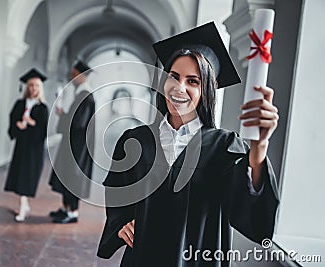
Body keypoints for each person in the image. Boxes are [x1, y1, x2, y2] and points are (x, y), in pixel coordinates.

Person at [97, 22, 280, 266]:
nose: (179, 88)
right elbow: (118, 193)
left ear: (208, 90)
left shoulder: (225, 147)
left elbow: (248, 211)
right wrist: (120, 224)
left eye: (193, 81)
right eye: (174, 76)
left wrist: (260, 147)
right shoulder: (135, 140)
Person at [49, 60, 96, 224]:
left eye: (74, 74)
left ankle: (73, 212)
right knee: (66, 174)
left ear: (82, 76)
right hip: (73, 144)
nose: (71, 76)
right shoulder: (81, 94)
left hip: (78, 147)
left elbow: (78, 123)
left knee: (73, 176)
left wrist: (63, 115)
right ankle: (66, 208)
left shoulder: (86, 96)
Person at [4, 68, 48, 222]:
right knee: (19, 175)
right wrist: (17, 125)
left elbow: (44, 129)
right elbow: (13, 120)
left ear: (40, 88)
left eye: (36, 86)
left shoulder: (42, 108)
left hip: (33, 149)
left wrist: (32, 123)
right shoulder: (20, 103)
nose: (33, 89)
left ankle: (24, 206)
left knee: (27, 176)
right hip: (21, 146)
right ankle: (24, 204)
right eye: (30, 85)